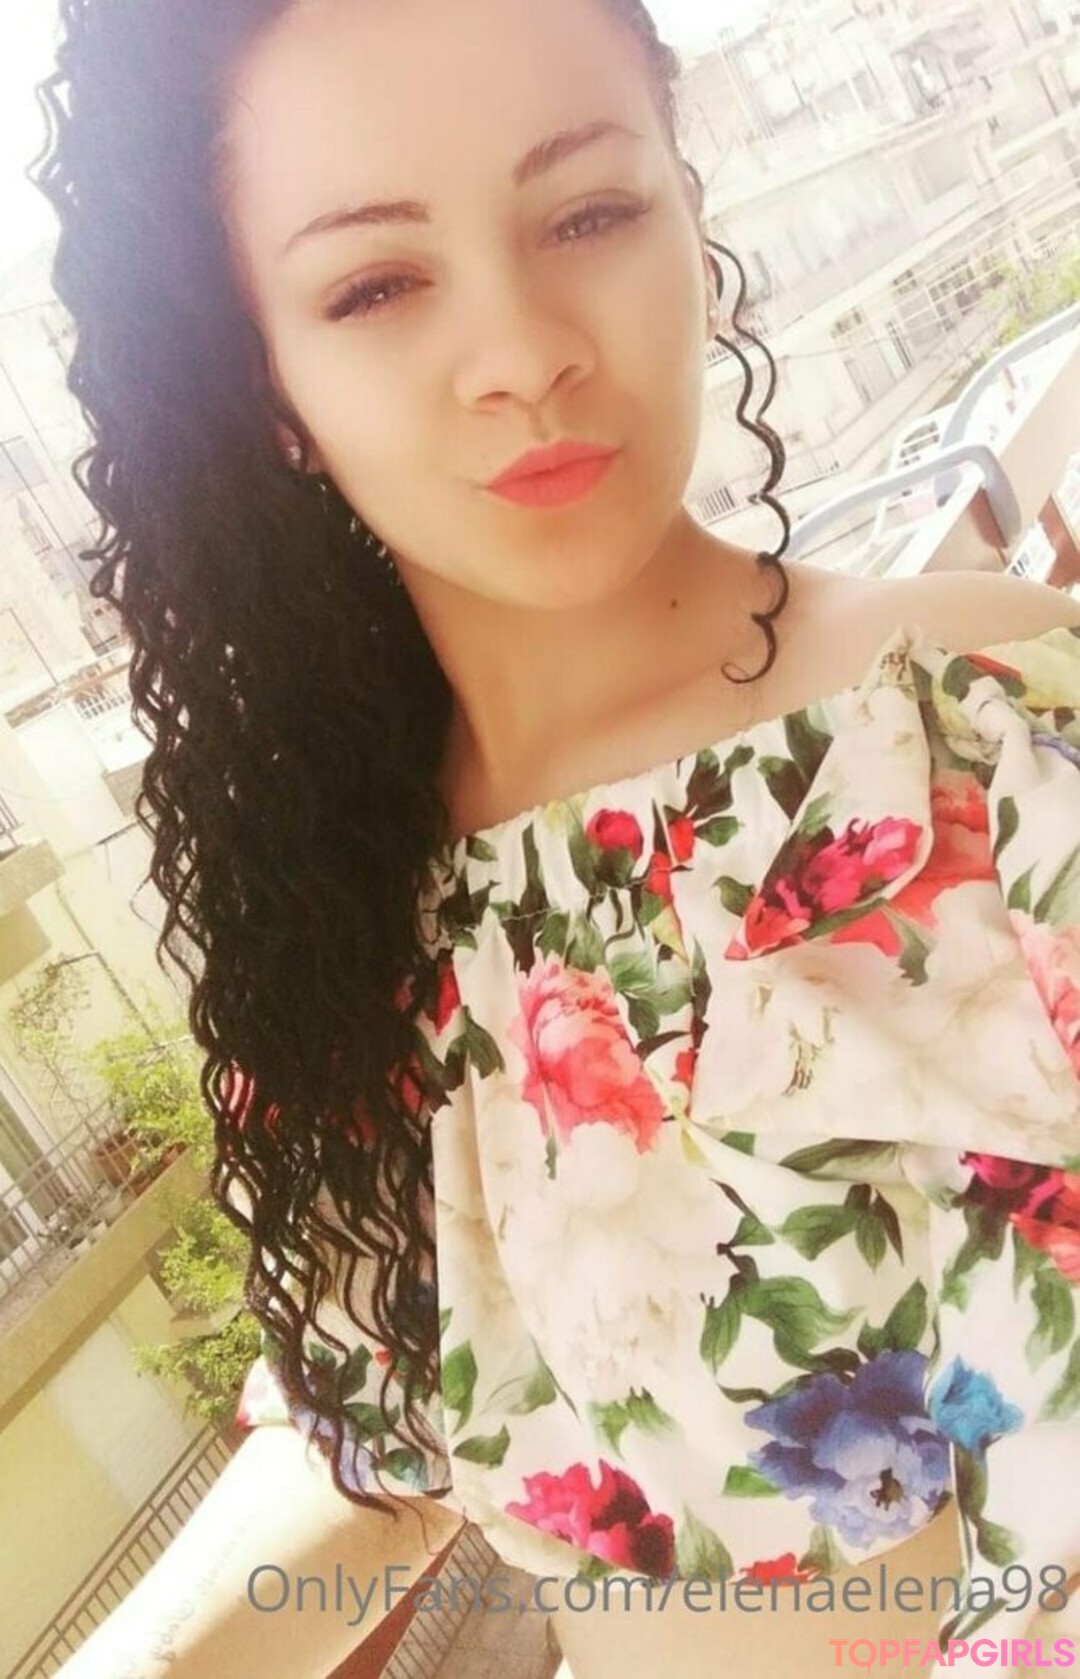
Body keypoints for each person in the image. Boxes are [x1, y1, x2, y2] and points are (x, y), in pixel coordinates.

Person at [33, 0, 1080, 1675]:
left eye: (587, 213)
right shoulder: (349, 932)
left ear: (686, 207)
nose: (521, 351)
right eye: (376, 286)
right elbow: (390, 1433)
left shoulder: (974, 735)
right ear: (266, 382)